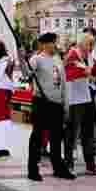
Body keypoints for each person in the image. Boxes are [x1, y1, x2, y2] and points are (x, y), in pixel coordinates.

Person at [23, 33, 75, 182]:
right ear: (44, 44)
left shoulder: (58, 59)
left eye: (55, 42)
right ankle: (32, 169)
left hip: (57, 103)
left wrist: (65, 104)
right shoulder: (37, 59)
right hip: (42, 102)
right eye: (52, 43)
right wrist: (22, 58)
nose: (55, 45)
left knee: (57, 137)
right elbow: (27, 73)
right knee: (37, 136)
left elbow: (63, 82)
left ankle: (58, 167)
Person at [63, 34, 96, 176]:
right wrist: (86, 71)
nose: (91, 47)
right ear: (81, 43)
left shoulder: (89, 57)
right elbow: (69, 73)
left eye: (92, 44)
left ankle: (90, 164)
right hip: (74, 98)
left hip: (87, 97)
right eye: (89, 44)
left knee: (89, 131)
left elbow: (95, 71)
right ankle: (68, 165)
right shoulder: (72, 54)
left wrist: (90, 71)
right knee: (71, 133)